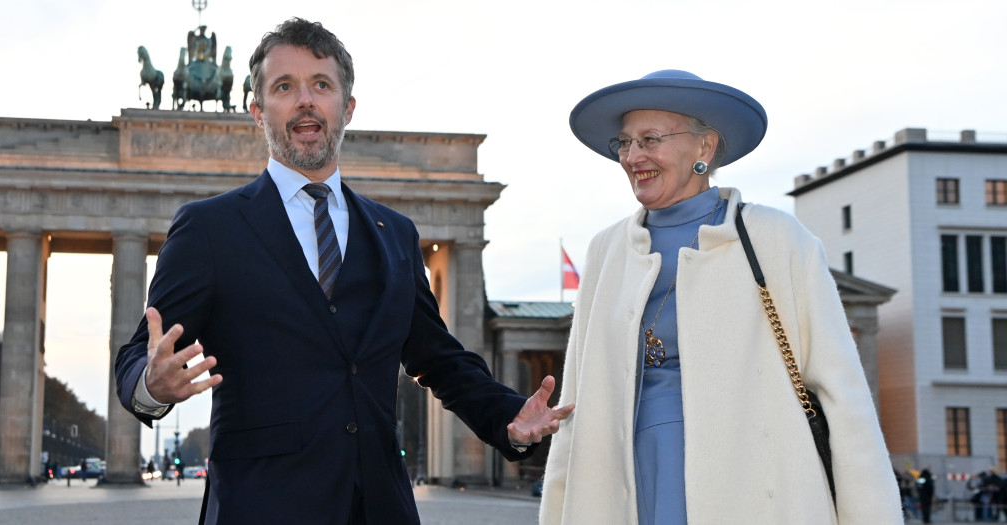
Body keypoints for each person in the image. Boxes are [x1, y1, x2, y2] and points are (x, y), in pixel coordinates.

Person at [114, 17, 573, 525]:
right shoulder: (210, 229)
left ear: (346, 108)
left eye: (322, 85)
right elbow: (142, 351)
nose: (305, 100)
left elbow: (439, 359)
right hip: (259, 507)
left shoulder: (394, 233)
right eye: (284, 87)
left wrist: (508, 414)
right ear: (257, 111)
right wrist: (151, 386)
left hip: (380, 507)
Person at [538, 70, 901, 524]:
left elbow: (842, 393)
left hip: (756, 488)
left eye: (650, 139)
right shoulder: (606, 249)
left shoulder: (775, 238)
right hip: (620, 480)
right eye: (624, 143)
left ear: (704, 148)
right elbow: (577, 395)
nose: (633, 156)